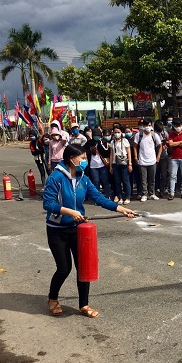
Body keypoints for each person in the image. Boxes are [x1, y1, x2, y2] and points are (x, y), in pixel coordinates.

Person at [43, 144, 137, 318]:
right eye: (83, 158)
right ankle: (52, 298)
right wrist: (69, 211)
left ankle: (84, 304)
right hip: (57, 230)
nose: (85, 161)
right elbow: (48, 204)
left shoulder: (83, 179)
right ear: (72, 159)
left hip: (77, 230)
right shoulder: (56, 178)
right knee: (64, 268)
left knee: (83, 268)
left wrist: (121, 209)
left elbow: (99, 198)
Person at [133, 119, 162, 202]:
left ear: (151, 125)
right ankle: (144, 194)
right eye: (146, 125)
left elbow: (160, 146)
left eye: (149, 125)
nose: (148, 127)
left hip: (152, 160)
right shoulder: (139, 135)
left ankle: (152, 193)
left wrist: (158, 157)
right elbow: (134, 146)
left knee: (152, 179)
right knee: (143, 179)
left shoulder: (154, 135)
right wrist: (135, 157)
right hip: (142, 160)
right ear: (143, 126)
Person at [167, 118, 182, 200]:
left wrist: (175, 143)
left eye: (179, 125)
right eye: (176, 125)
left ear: (181, 125)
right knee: (173, 176)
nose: (178, 127)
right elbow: (171, 144)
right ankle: (172, 193)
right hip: (174, 158)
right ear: (173, 126)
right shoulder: (171, 134)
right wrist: (181, 142)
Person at [110, 125, 132, 204]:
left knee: (125, 181)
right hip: (115, 163)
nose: (117, 134)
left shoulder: (125, 141)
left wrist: (130, 164)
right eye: (115, 132)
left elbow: (129, 152)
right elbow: (111, 154)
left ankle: (128, 197)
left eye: (118, 132)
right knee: (117, 181)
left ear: (121, 132)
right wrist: (111, 166)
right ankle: (120, 197)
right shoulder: (112, 142)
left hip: (124, 163)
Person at [87, 127, 111, 199]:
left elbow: (106, 151)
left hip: (102, 164)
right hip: (93, 166)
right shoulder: (90, 143)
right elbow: (83, 149)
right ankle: (97, 197)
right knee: (96, 182)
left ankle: (108, 195)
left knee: (105, 181)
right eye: (95, 135)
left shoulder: (103, 142)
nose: (96, 137)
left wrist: (99, 143)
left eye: (98, 135)